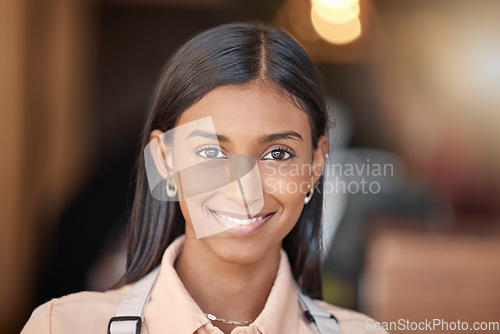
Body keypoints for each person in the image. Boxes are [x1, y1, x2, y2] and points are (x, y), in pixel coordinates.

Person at [22, 23, 389, 334]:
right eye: (212, 152)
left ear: (316, 165)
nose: (245, 191)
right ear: (164, 160)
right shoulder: (63, 325)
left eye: (277, 154)